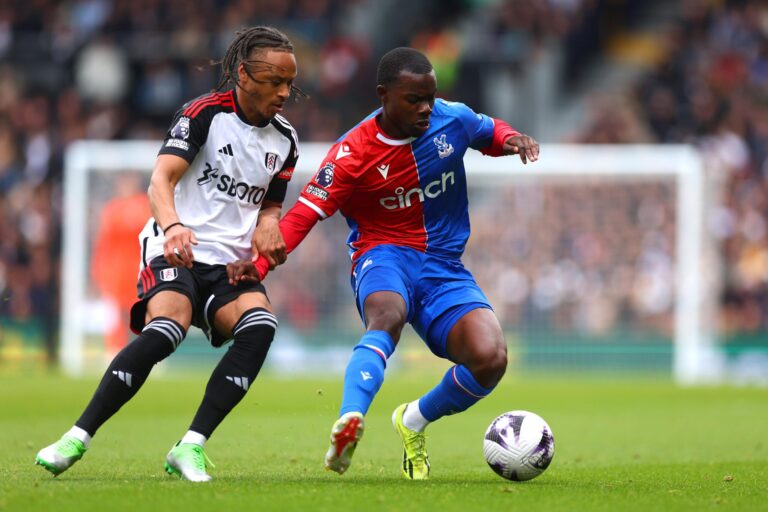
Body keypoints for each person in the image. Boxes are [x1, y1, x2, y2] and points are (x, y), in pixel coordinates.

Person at [228, 47, 539, 480]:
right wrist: (258, 268)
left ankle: (413, 419)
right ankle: (350, 420)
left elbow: (489, 132)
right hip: (383, 254)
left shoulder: (452, 118)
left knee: (491, 358)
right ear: (384, 95)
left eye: (430, 97)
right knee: (387, 315)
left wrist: (512, 139)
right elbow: (304, 215)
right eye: (414, 99)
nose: (426, 108)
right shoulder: (352, 153)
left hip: (444, 267)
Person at [35, 26, 301, 482]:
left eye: (290, 83)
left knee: (261, 327)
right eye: (275, 81)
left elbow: (271, 204)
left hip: (229, 264)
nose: (284, 92)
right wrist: (174, 226)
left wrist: (269, 224)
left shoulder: (286, 141)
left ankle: (190, 445)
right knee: (167, 329)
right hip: (174, 247)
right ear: (243, 74)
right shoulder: (203, 114)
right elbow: (161, 181)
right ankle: (77, 436)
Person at [91, 172, 152, 357]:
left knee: (144, 312)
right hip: (116, 273)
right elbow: (103, 244)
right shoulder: (112, 209)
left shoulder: (145, 206)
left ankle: (149, 352)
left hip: (141, 270)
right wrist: (98, 271)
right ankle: (114, 354)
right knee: (115, 316)